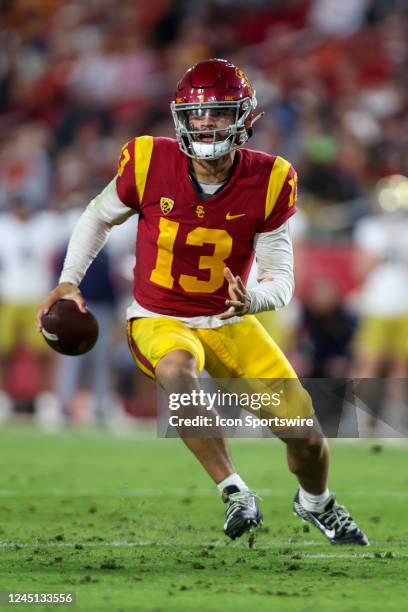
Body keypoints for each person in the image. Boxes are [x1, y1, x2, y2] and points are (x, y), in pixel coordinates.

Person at [37, 59, 368, 545]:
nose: (205, 122)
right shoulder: (150, 160)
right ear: (180, 117)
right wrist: (69, 280)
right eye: (196, 113)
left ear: (244, 118)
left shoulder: (272, 178)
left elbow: (281, 278)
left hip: (228, 319)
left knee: (308, 438)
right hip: (159, 316)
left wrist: (251, 299)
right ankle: (235, 490)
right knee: (176, 371)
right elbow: (97, 216)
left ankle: (316, 502)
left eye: (217, 112)